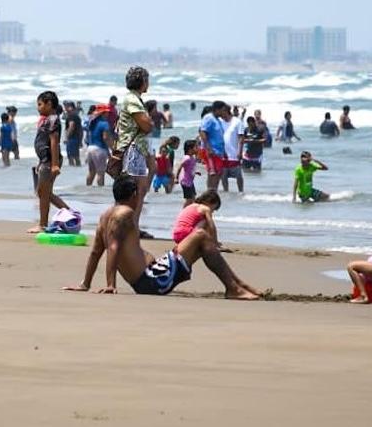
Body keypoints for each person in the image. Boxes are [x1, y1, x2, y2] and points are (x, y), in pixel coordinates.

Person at [63, 176, 259, 299]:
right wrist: (110, 285)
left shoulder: (105, 216)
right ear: (133, 194)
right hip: (153, 282)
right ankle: (234, 287)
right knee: (200, 235)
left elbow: (96, 251)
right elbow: (113, 247)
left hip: (153, 276)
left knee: (200, 243)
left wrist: (85, 284)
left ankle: (237, 285)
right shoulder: (125, 214)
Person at [113, 66, 154, 233]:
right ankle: (126, 226)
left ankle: (131, 226)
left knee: (136, 189)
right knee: (133, 190)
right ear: (142, 81)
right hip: (133, 149)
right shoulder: (132, 100)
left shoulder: (134, 99)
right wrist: (149, 122)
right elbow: (146, 125)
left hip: (136, 149)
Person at [29, 91, 70, 233]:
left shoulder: (53, 120)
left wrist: (54, 164)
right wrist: (41, 162)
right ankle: (69, 214)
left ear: (49, 104)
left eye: (40, 104)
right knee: (44, 192)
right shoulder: (47, 119)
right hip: (45, 160)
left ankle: (43, 224)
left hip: (50, 161)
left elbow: (54, 142)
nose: (38, 107)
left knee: (43, 192)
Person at [199, 101, 232, 191]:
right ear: (217, 110)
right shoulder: (209, 118)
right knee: (213, 173)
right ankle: (210, 193)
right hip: (211, 150)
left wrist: (224, 151)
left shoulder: (217, 120)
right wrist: (208, 148)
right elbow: (203, 132)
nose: (224, 112)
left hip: (218, 151)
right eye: (223, 110)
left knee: (218, 173)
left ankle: (213, 192)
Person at [219, 106, 245, 193]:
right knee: (223, 175)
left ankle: (241, 192)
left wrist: (240, 151)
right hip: (223, 154)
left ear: (226, 111)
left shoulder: (237, 121)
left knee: (238, 175)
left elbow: (241, 138)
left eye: (222, 112)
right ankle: (226, 192)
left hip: (234, 153)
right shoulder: (220, 122)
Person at [85, 106, 112, 187]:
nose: (108, 114)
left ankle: (87, 190)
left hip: (90, 148)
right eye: (107, 112)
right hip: (99, 149)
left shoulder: (92, 122)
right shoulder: (104, 123)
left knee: (91, 172)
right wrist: (112, 148)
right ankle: (100, 192)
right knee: (100, 173)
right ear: (103, 113)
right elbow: (105, 137)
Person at [175, 139, 200, 204]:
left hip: (190, 182)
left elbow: (189, 168)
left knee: (193, 198)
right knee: (189, 200)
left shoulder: (192, 157)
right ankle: (183, 212)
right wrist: (176, 178)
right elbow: (180, 167)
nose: (198, 148)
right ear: (190, 149)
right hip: (185, 181)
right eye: (196, 147)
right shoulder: (187, 158)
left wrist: (195, 172)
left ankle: (191, 212)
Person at [63, 100, 82, 166]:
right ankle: (77, 172)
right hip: (76, 138)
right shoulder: (75, 115)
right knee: (76, 157)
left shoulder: (72, 116)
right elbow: (80, 129)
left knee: (71, 157)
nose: (65, 108)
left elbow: (71, 126)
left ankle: (73, 172)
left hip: (72, 139)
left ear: (70, 107)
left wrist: (67, 137)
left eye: (66, 107)